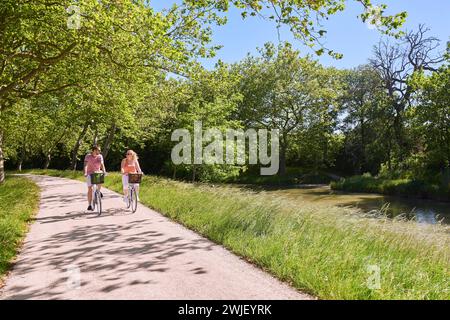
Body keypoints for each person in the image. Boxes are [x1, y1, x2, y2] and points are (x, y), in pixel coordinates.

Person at [84, 145, 107, 211]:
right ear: (93, 150)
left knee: (100, 178)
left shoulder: (100, 156)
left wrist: (104, 171)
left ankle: (98, 192)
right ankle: (89, 204)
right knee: (90, 188)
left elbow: (102, 165)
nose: (99, 151)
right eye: (98, 150)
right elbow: (85, 165)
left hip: (97, 172)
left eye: (99, 150)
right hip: (89, 173)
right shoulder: (88, 156)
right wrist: (85, 172)